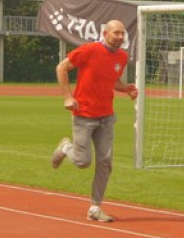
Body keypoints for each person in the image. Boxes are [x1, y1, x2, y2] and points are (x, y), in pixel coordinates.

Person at [51, 20, 138, 222]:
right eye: (116, 33)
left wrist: (127, 88)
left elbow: (113, 81)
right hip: (84, 115)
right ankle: (65, 148)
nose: (120, 37)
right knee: (83, 162)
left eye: (122, 33)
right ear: (105, 33)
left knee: (105, 162)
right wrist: (67, 96)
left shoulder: (122, 56)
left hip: (106, 116)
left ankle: (95, 207)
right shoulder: (89, 50)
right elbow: (61, 68)